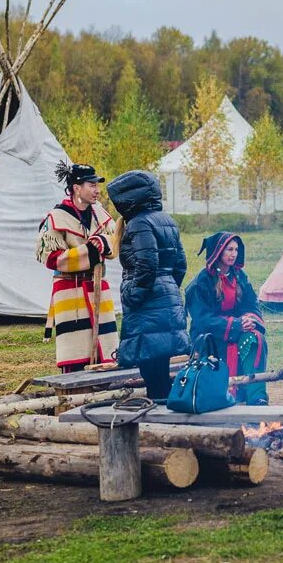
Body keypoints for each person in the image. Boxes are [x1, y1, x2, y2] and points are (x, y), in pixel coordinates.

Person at [106, 170, 189, 399]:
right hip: (165, 296)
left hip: (148, 301)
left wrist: (133, 294)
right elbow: (180, 263)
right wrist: (169, 286)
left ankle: (159, 421)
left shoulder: (139, 223)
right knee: (159, 361)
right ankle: (167, 412)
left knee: (150, 365)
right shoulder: (166, 220)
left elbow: (147, 263)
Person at [36, 162, 118, 372]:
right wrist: (90, 251)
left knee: (105, 352)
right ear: (76, 188)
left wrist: (104, 244)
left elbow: (114, 242)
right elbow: (52, 258)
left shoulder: (100, 214)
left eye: (97, 185)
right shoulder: (56, 218)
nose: (97, 190)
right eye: (91, 185)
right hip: (70, 293)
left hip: (99, 286)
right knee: (75, 354)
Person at [185, 232, 268, 405]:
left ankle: (256, 396)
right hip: (209, 336)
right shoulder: (201, 282)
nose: (233, 254)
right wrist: (236, 324)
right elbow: (202, 320)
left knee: (255, 339)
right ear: (218, 251)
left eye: (236, 250)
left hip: (236, 330)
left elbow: (252, 304)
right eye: (229, 249)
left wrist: (248, 320)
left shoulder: (239, 276)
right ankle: (224, 394)